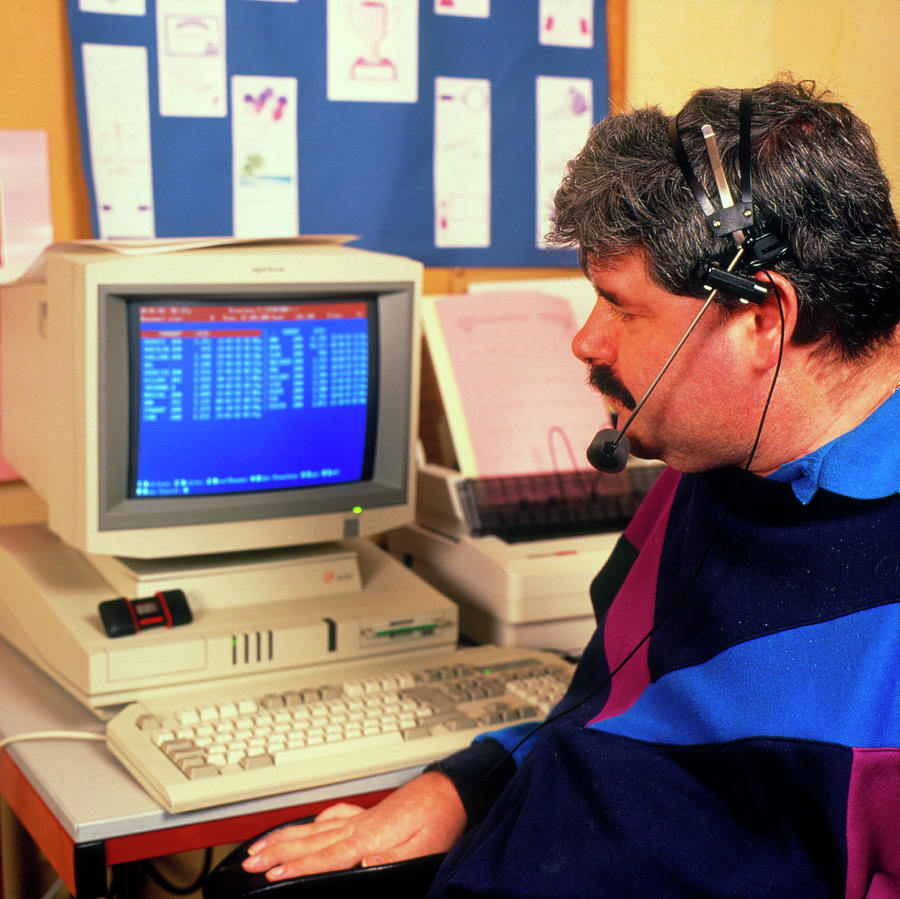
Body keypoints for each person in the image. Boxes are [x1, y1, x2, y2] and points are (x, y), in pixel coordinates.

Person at [237, 79, 900, 897]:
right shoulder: (711, 458)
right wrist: (466, 786)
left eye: (620, 306)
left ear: (763, 321)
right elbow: (604, 705)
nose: (584, 339)